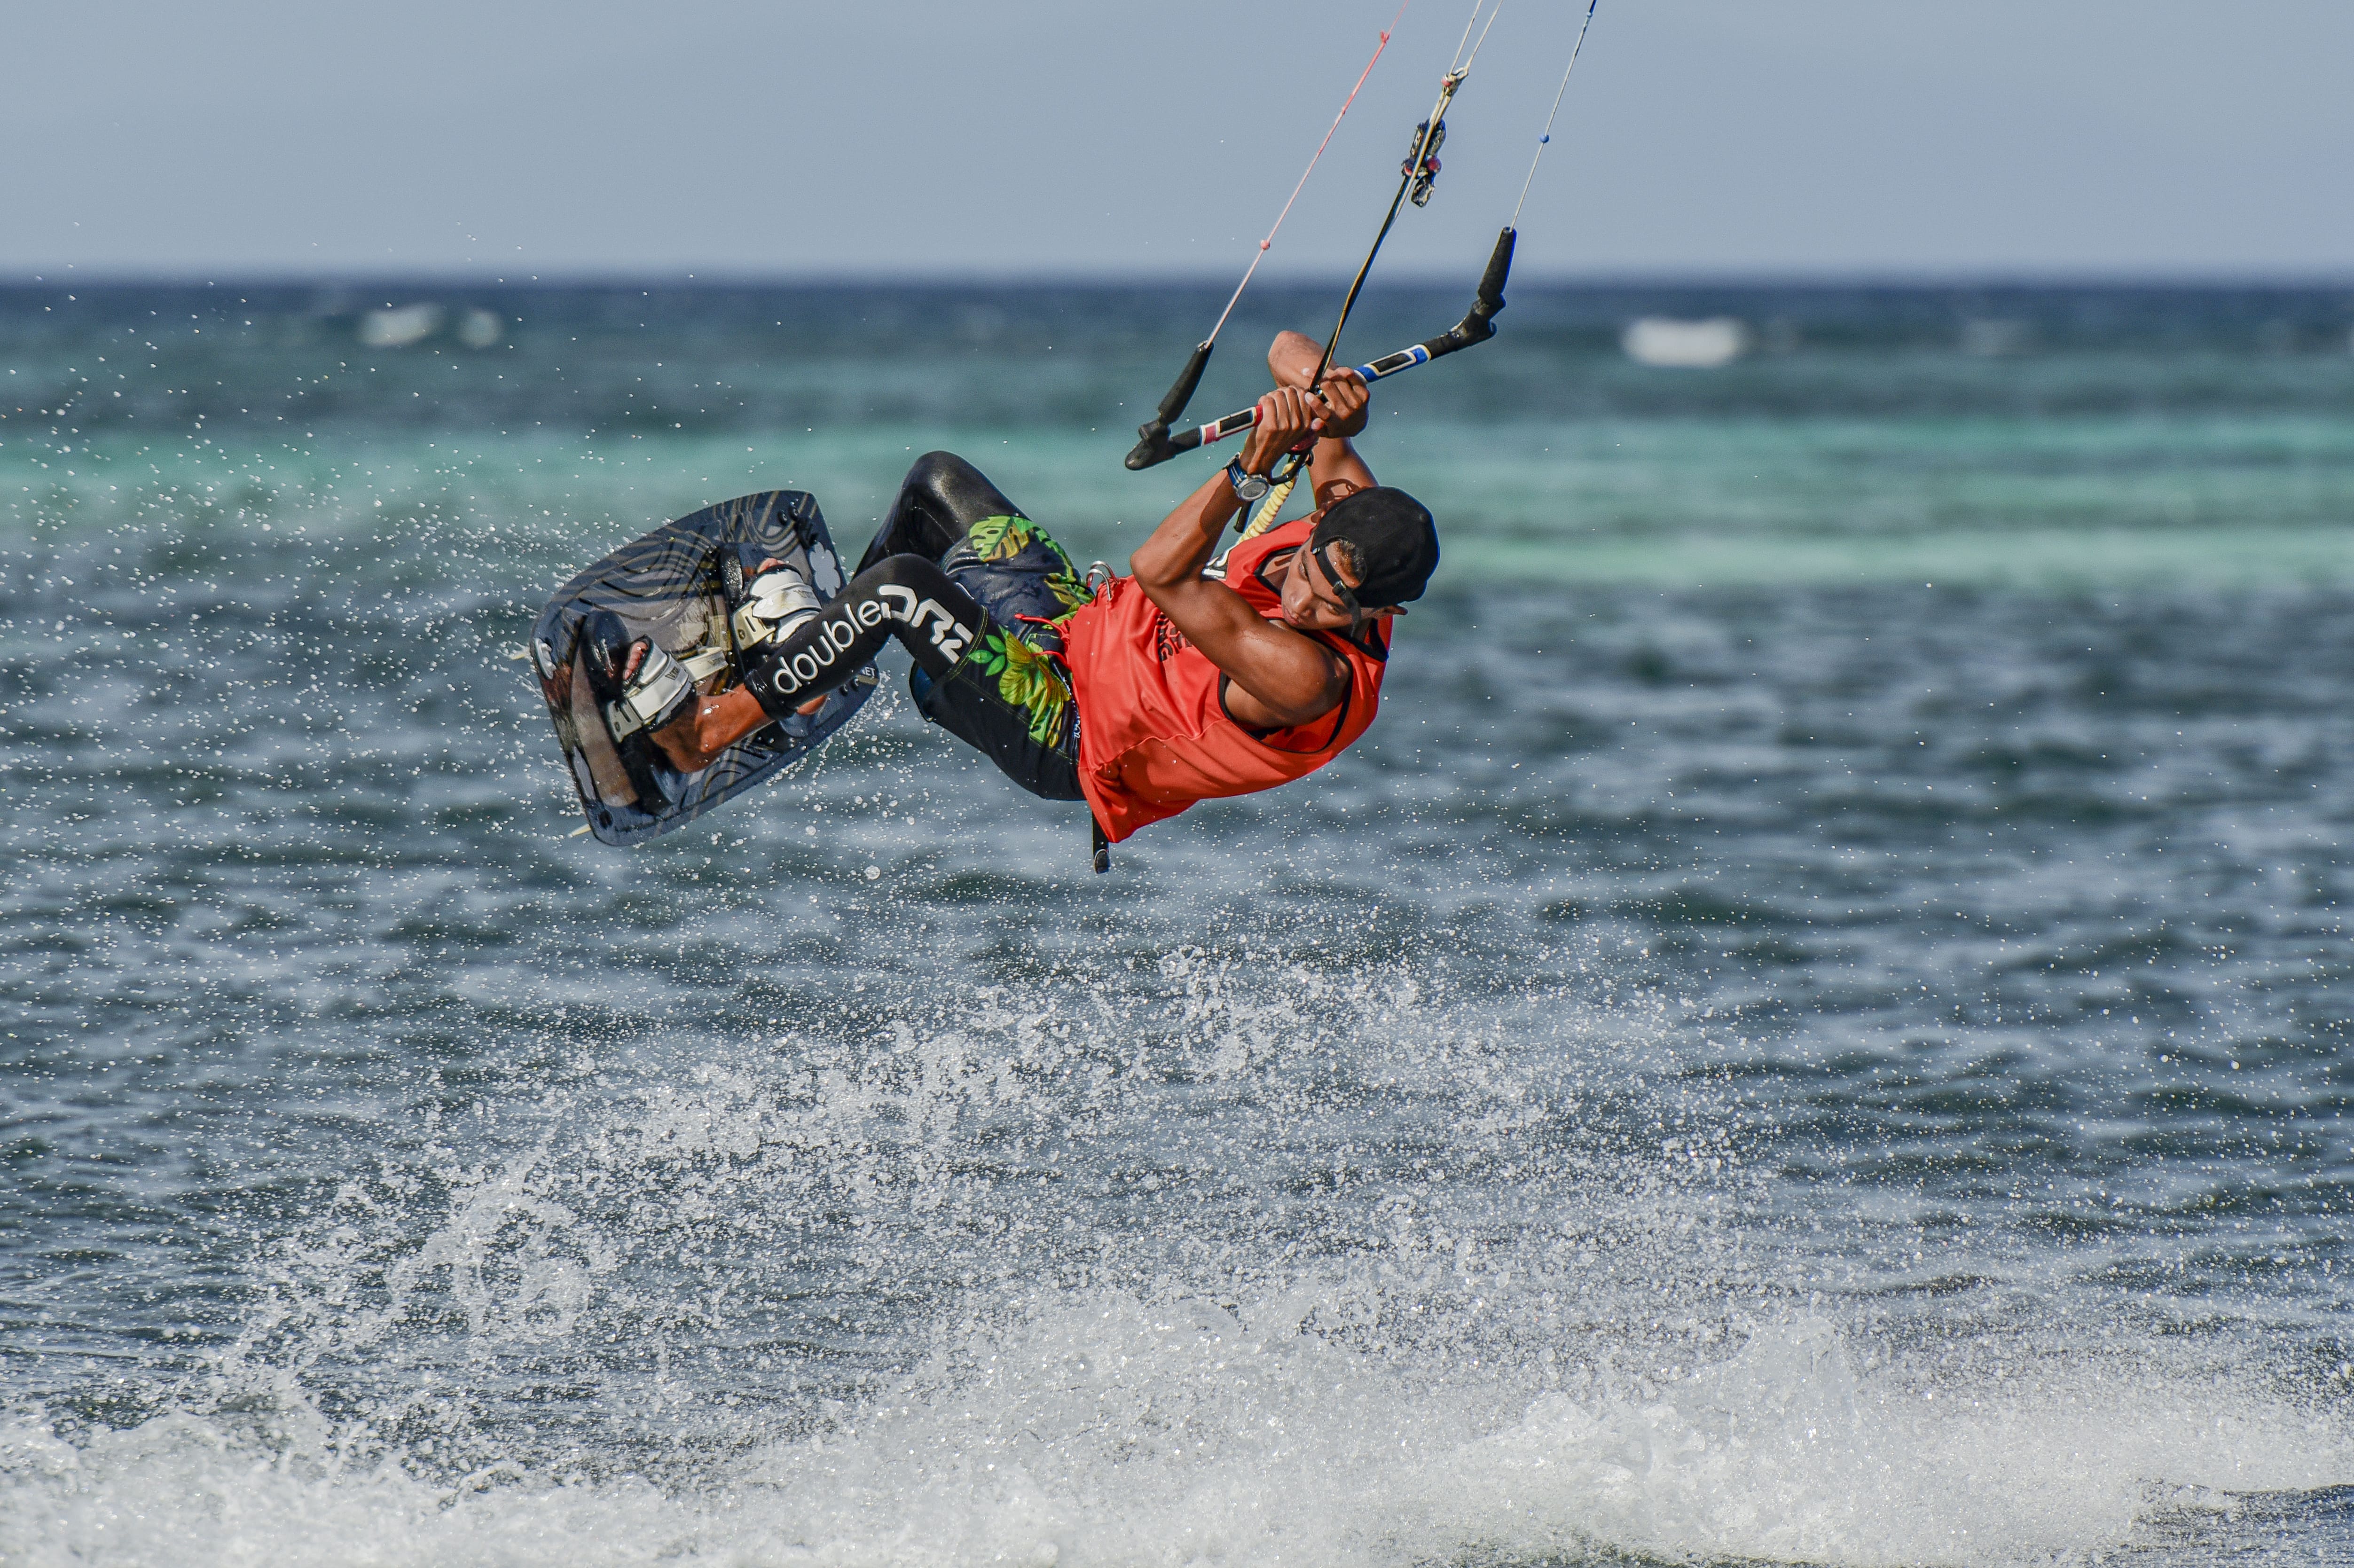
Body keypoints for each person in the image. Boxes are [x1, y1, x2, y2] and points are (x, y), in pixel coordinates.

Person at [584, 329, 1439, 863]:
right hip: (1070, 631)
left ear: (1377, 614)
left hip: (1068, 728)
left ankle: (706, 733)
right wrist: (1331, 398)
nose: (1307, 601)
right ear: (1330, 520)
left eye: (1337, 609)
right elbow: (1289, 347)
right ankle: (808, 670)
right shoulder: (1344, 513)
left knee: (900, 591)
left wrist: (1252, 465)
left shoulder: (1304, 678)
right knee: (938, 484)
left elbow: (1162, 573)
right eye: (1314, 574)